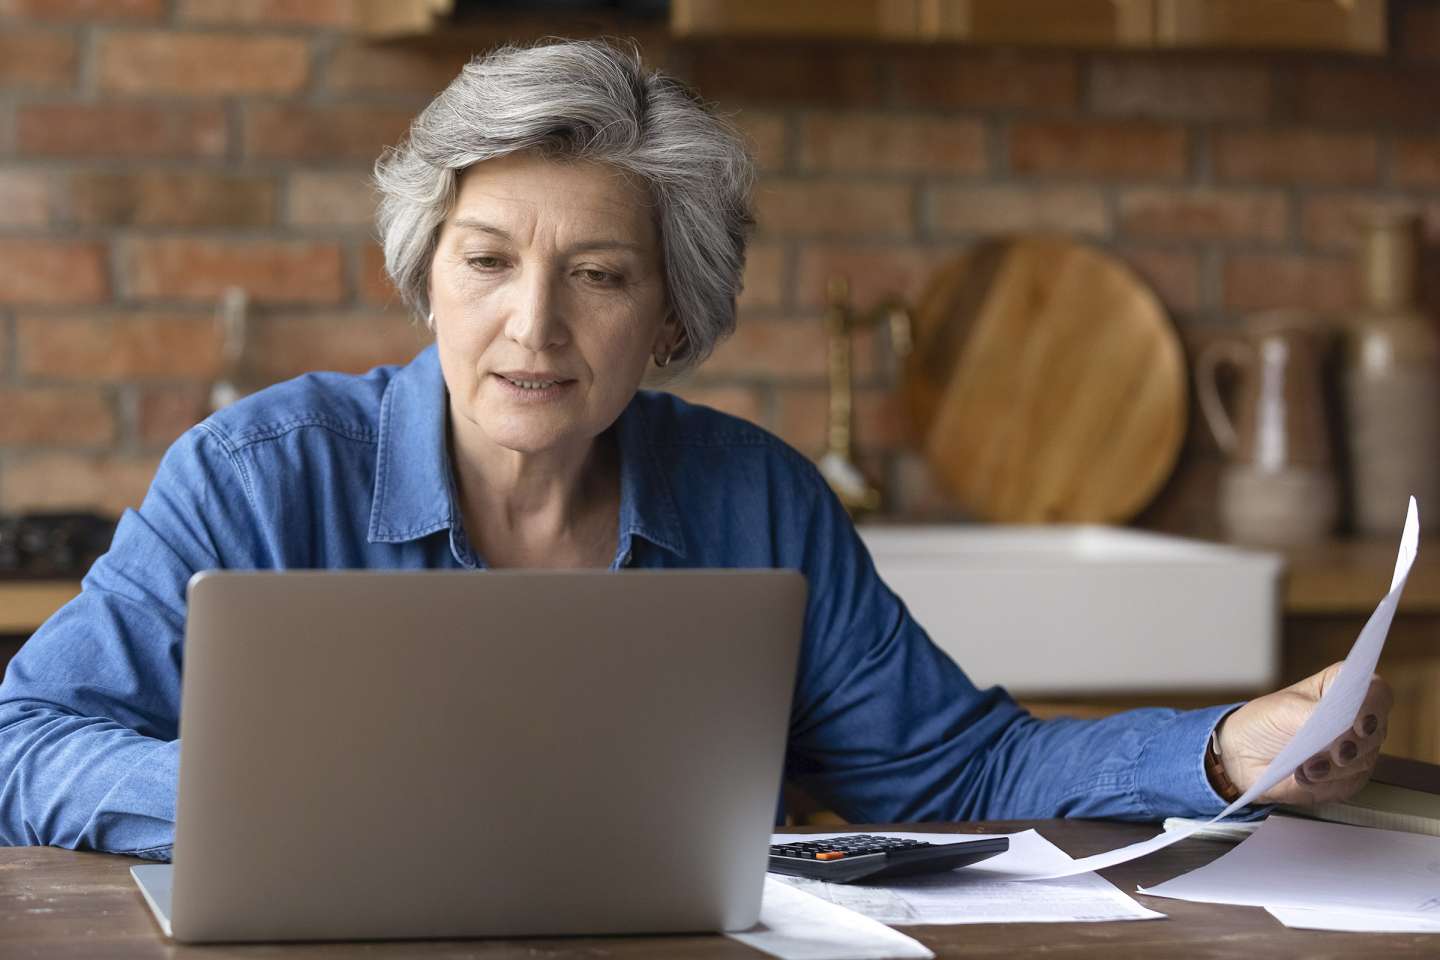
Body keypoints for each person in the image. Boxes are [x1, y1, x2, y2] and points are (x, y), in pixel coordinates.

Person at [0, 40, 1391, 860]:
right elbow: (26, 743)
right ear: (430, 279)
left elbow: (955, 775)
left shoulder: (755, 501)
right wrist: (286, 802)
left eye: (600, 276)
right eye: (487, 262)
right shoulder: (256, 475)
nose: (531, 325)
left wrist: (1222, 750)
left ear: (671, 319)